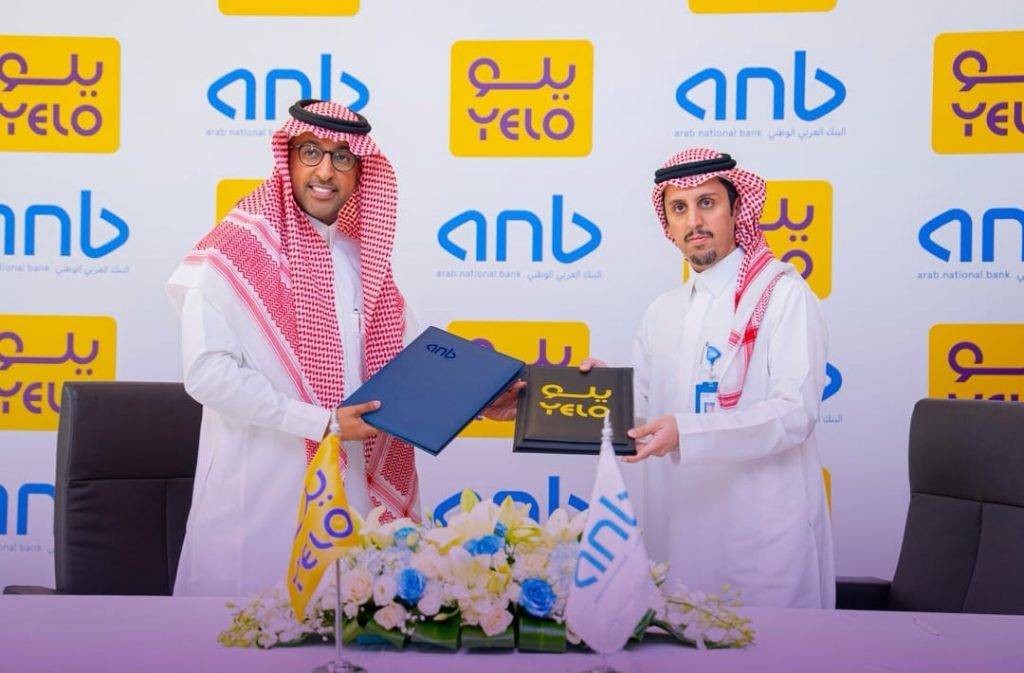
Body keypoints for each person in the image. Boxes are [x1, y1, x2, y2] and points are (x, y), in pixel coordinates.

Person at [166, 99, 420, 596]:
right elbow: (208, 374)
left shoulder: (363, 262)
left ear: (359, 171)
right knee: (247, 630)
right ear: (287, 158)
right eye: (311, 152)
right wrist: (321, 423)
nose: (325, 171)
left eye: (342, 157)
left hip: (352, 499)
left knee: (352, 625)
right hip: (259, 503)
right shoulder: (230, 254)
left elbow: (412, 370)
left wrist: (489, 398)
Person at [585, 148, 834, 608]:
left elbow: (795, 412)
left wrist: (689, 431)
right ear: (667, 223)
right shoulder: (662, 311)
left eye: (707, 203)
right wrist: (599, 392)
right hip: (678, 532)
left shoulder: (783, 295)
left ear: (737, 209)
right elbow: (641, 415)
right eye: (679, 208)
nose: (694, 221)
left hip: (761, 539)